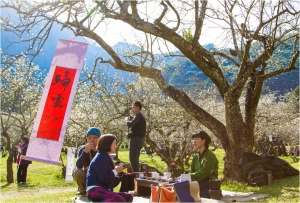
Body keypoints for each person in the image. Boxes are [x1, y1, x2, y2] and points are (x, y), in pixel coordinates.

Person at [86, 134, 133, 202]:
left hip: (104, 190)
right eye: (114, 143)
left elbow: (111, 182)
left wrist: (119, 173)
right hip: (94, 189)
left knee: (128, 196)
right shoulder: (100, 158)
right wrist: (115, 171)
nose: (116, 146)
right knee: (118, 199)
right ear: (108, 144)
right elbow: (104, 179)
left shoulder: (106, 157)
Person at [189, 131, 219, 198]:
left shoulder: (210, 156)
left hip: (207, 184)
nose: (194, 141)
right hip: (197, 182)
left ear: (203, 141)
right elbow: (191, 170)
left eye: (196, 139)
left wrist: (189, 176)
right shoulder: (196, 156)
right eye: (193, 139)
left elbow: (202, 174)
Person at [73, 127, 101, 195]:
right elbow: (78, 165)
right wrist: (85, 152)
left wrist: (93, 168)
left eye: (94, 138)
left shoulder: (102, 149)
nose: (92, 140)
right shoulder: (83, 149)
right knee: (77, 171)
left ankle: (101, 189)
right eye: (89, 138)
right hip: (87, 174)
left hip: (99, 175)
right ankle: (83, 189)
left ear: (99, 139)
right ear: (86, 139)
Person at [125, 101, 146, 172]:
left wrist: (126, 120)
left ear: (137, 107)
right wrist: (131, 133)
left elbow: (129, 124)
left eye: (133, 107)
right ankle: (138, 175)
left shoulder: (138, 116)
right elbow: (138, 130)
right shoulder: (141, 117)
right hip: (141, 140)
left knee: (132, 158)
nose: (132, 109)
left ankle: (136, 176)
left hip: (136, 140)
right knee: (136, 159)